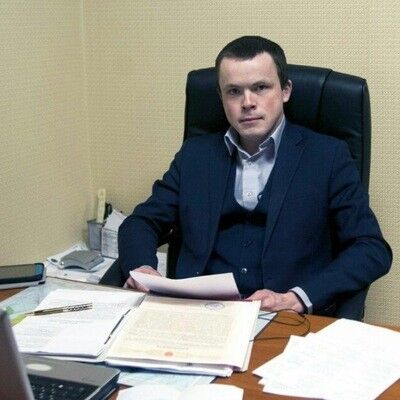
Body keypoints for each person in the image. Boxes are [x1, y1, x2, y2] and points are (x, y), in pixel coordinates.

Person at [118, 36, 392, 315]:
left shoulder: (328, 156)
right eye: (234, 91)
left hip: (283, 317)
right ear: (221, 98)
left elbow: (371, 248)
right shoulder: (195, 155)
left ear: (285, 90)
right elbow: (141, 223)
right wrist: (142, 267)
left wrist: (297, 298)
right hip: (197, 313)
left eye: (260, 88)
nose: (247, 102)